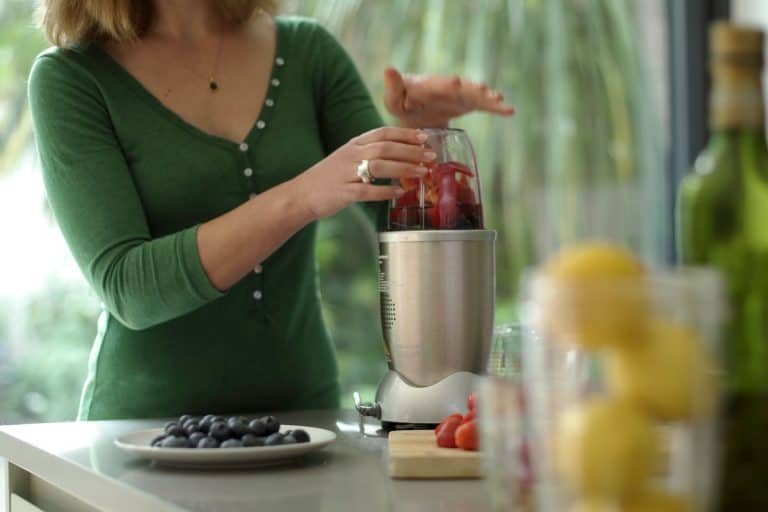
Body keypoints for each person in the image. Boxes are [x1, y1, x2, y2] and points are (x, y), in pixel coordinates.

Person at [28, 0, 515, 420]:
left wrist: (425, 141)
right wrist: (301, 196)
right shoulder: (71, 79)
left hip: (309, 425)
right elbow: (128, 286)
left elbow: (405, 232)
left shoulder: (309, 52)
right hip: (139, 439)